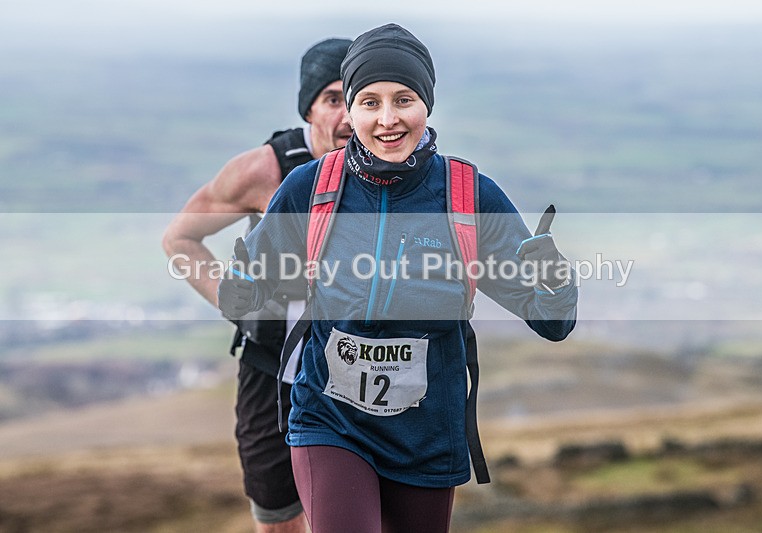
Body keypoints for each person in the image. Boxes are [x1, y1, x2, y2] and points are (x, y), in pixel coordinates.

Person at [218, 23, 578, 533]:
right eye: (369, 102)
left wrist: (555, 279)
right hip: (330, 419)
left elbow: (553, 322)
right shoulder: (309, 189)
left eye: (403, 99)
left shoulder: (467, 196)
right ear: (352, 110)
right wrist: (245, 277)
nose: (387, 119)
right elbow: (240, 296)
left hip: (426, 434)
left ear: (426, 104)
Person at [162, 37, 353, 533]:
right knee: (278, 520)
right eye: (333, 99)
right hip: (271, 372)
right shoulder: (264, 170)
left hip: (354, 369)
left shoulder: (386, 168)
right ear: (308, 109)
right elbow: (181, 239)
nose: (349, 116)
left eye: (357, 97)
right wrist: (235, 302)